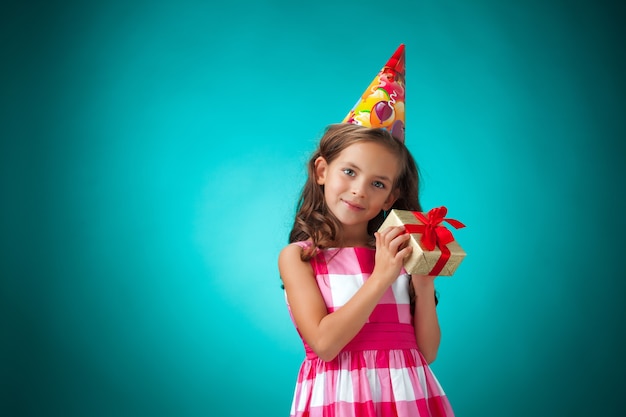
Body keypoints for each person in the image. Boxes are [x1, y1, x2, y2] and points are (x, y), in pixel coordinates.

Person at [278, 122, 454, 417]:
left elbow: (427, 353)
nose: (359, 191)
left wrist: (423, 285)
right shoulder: (299, 257)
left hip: (406, 397)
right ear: (322, 171)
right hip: (340, 397)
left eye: (378, 183)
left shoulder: (398, 253)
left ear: (390, 197)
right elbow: (325, 344)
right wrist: (382, 276)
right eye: (349, 172)